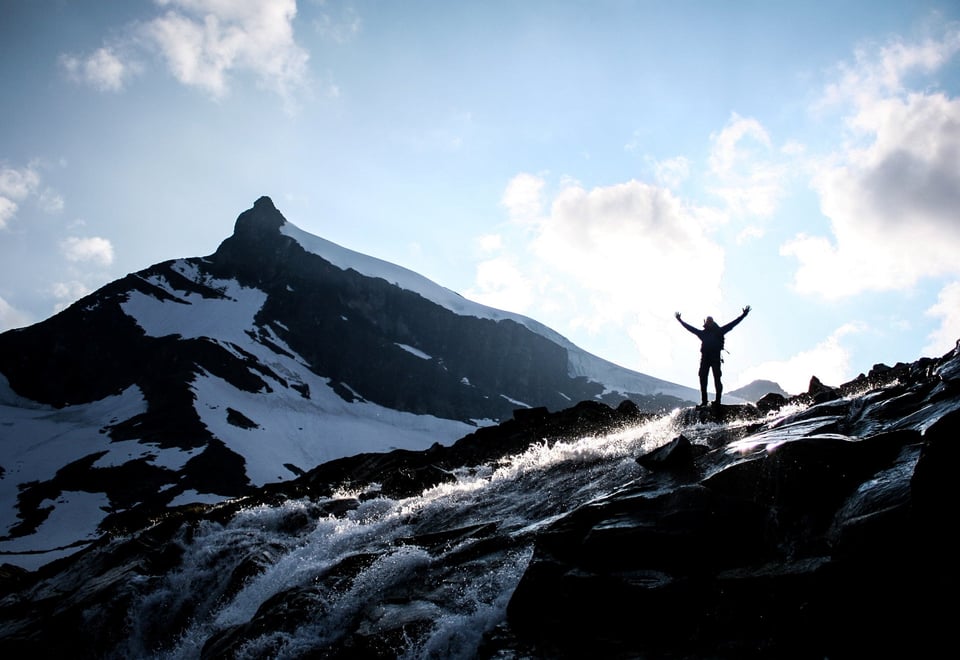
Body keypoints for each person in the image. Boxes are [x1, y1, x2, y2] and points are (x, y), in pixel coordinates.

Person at [675, 305, 751, 407]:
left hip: (715, 358)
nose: (709, 322)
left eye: (710, 321)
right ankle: (704, 401)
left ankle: (717, 401)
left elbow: (733, 323)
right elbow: (690, 328)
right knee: (703, 378)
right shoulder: (703, 333)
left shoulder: (719, 331)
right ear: (706, 322)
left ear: (712, 322)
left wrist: (743, 315)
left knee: (717, 379)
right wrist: (680, 321)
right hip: (705, 359)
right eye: (708, 321)